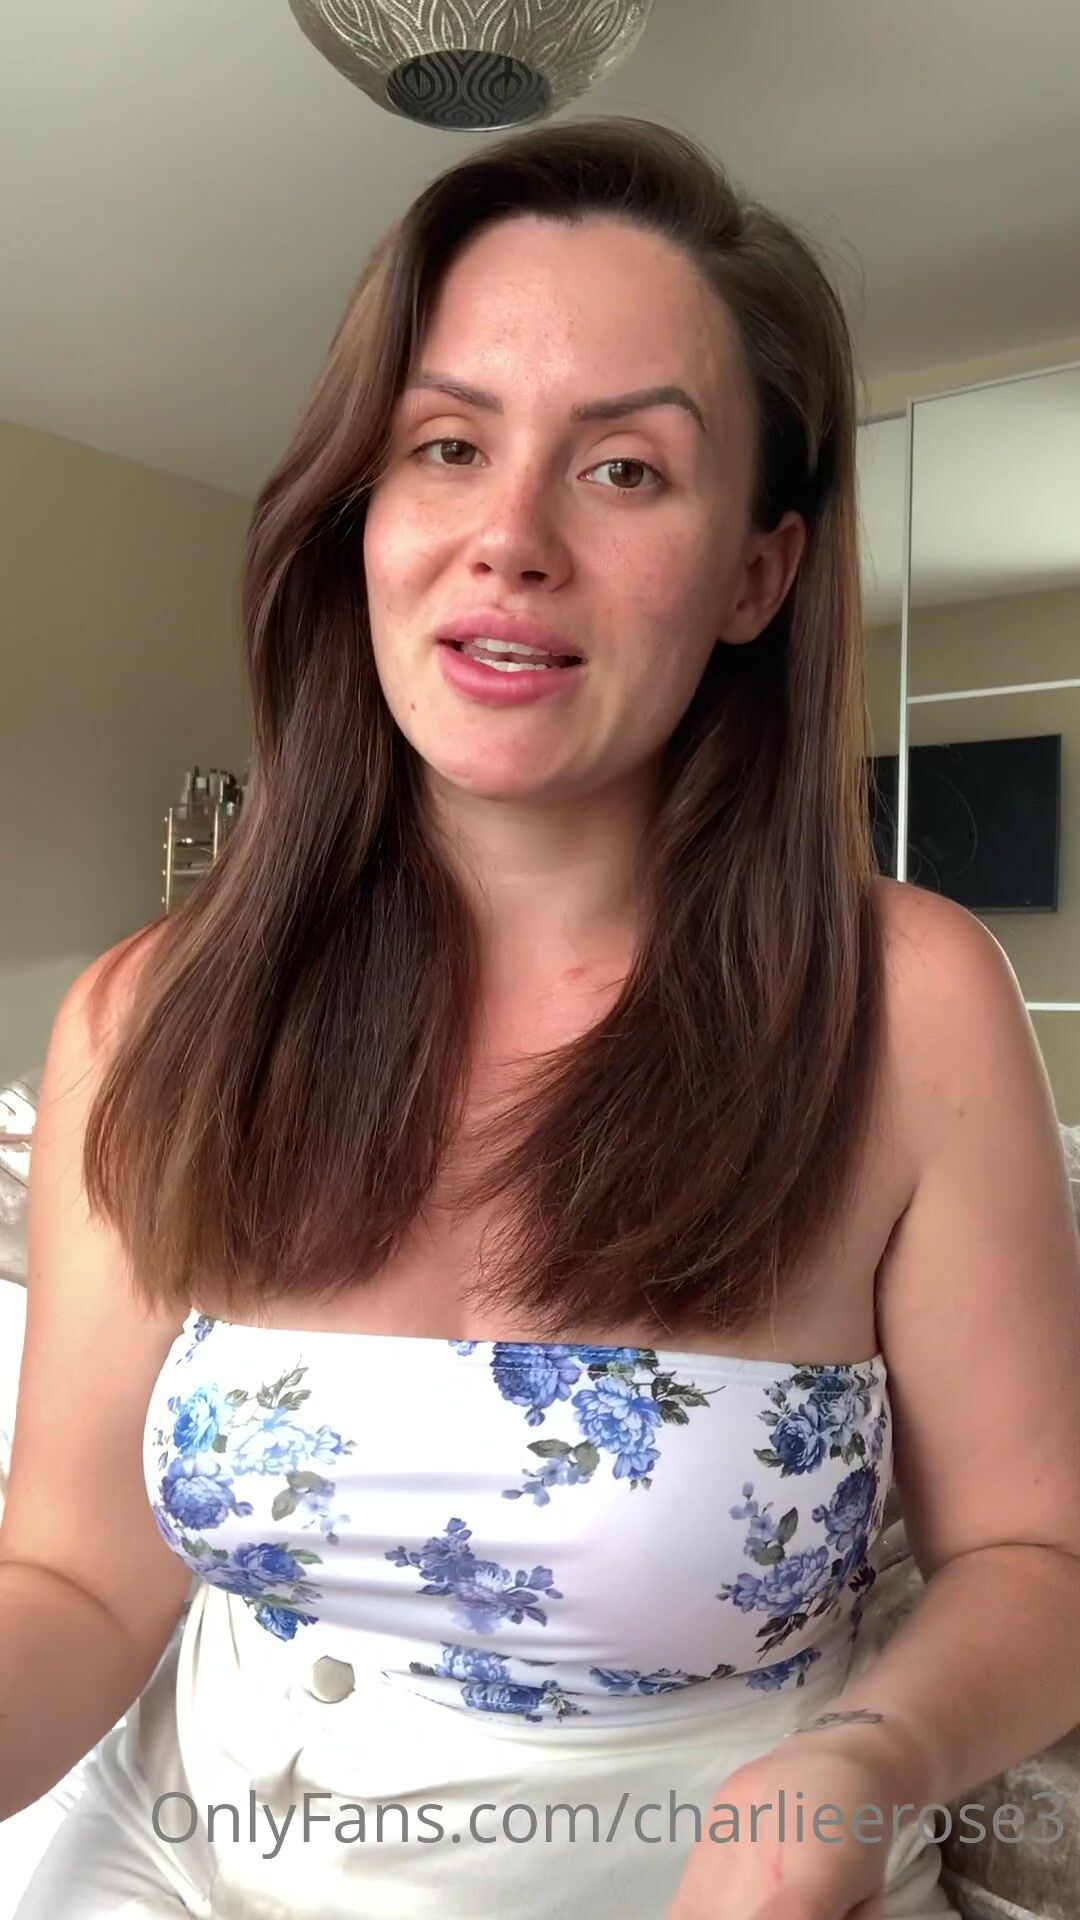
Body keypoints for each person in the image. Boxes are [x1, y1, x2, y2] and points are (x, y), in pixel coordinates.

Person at [2, 114, 1079, 1920]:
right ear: (363, 515)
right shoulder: (146, 1017)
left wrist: (866, 1761)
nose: (509, 539)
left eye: (626, 471)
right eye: (447, 446)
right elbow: (78, 1580)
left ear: (759, 574)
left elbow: (1039, 1556)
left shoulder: (909, 1007)